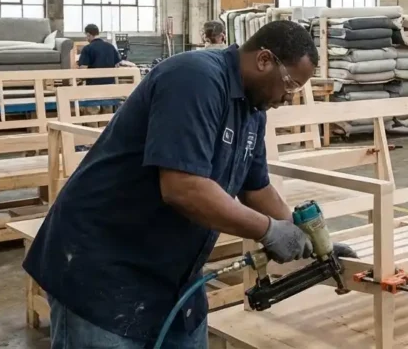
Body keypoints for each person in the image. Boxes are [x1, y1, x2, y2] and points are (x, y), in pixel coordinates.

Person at [24, 20, 355, 348]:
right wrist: (267, 230)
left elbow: (256, 188)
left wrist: (312, 243)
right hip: (102, 267)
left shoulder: (253, 110)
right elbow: (182, 187)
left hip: (173, 275)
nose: (287, 97)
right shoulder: (195, 78)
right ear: (264, 60)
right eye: (289, 85)